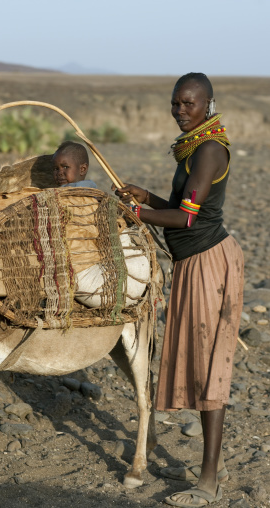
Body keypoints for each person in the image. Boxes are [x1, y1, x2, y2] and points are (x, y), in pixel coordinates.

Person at [114, 72, 244, 507]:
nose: (180, 111)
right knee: (199, 362)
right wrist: (147, 196)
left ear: (208, 103)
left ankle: (209, 480)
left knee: (209, 367)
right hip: (193, 264)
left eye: (188, 103)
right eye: (175, 104)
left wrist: (136, 212)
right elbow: (182, 206)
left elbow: (187, 219)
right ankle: (215, 466)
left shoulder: (208, 150)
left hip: (209, 263)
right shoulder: (192, 149)